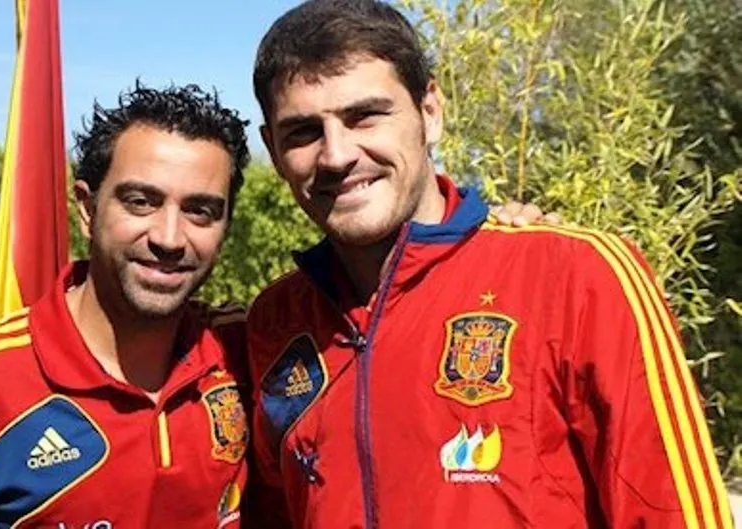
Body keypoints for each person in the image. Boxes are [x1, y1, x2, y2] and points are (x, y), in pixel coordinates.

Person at [243, 1, 734, 528]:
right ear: (272, 147)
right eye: (302, 132)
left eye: (364, 115)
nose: (336, 155)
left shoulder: (578, 276)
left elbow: (673, 512)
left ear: (430, 111)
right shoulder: (275, 320)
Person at [0, 83, 252, 528]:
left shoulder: (244, 348)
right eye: (140, 202)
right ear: (87, 208)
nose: (168, 237)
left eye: (200, 211)